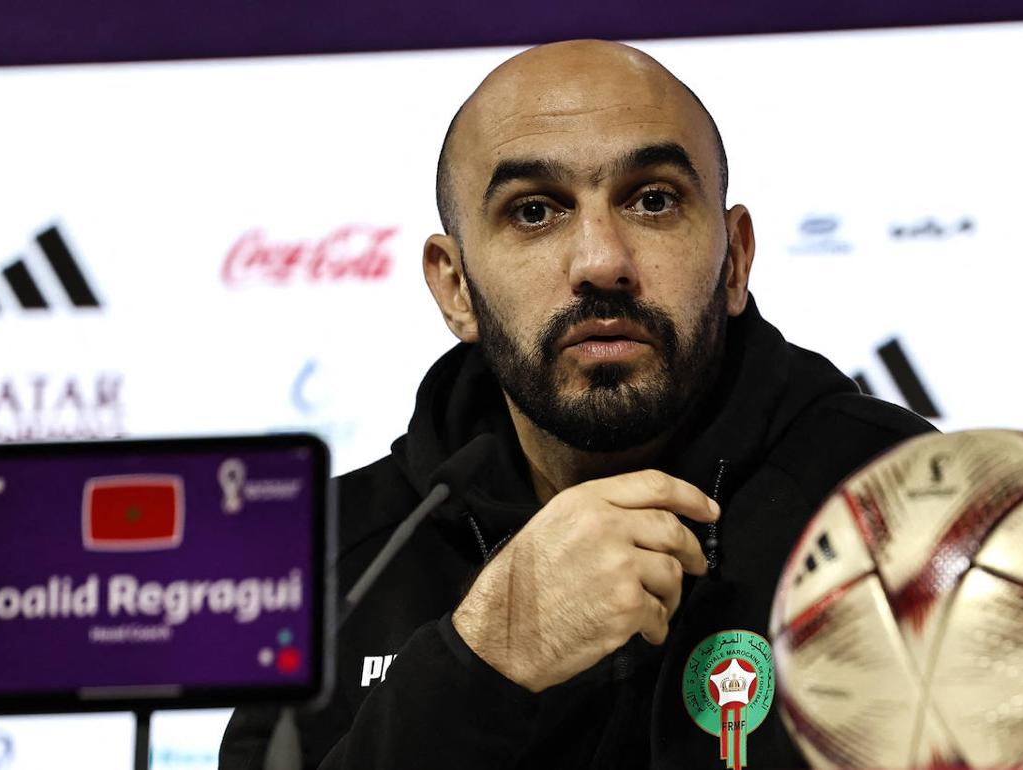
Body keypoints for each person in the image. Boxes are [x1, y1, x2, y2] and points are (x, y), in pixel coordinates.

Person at [220, 39, 932, 769]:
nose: (601, 262)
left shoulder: (903, 501)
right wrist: (484, 658)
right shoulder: (346, 562)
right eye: (535, 211)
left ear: (736, 258)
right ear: (454, 287)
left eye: (653, 200)